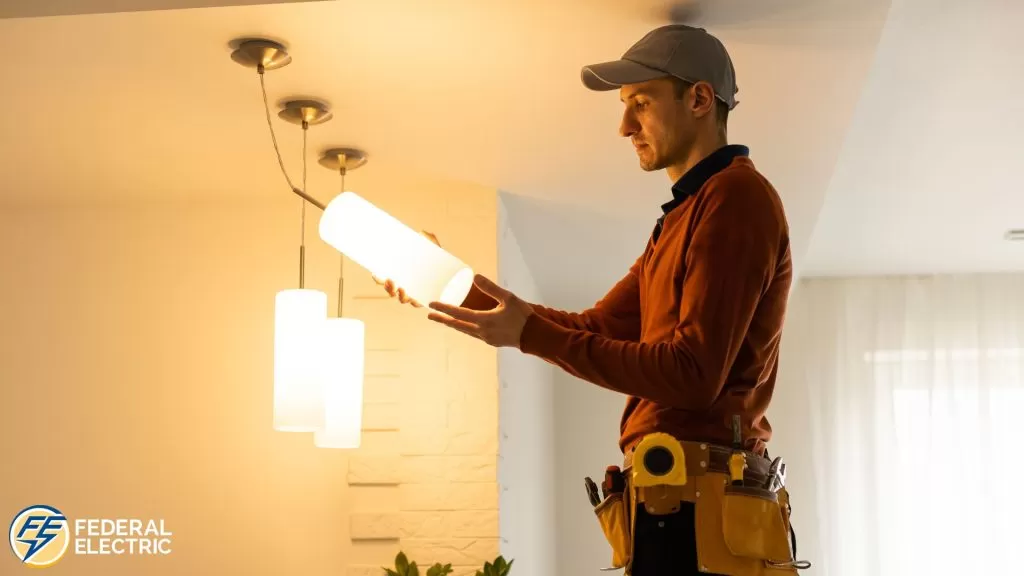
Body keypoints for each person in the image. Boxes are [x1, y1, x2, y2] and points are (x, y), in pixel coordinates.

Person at [378, 24, 794, 576]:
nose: (624, 126)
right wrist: (451, 283)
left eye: (640, 104)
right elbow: (597, 325)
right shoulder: (678, 221)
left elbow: (693, 374)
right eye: (625, 107)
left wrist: (528, 333)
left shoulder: (736, 197)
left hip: (703, 517)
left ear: (698, 99)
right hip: (676, 509)